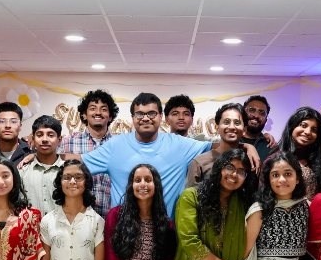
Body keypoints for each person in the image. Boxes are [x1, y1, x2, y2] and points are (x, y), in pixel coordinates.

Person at [76, 93, 260, 215]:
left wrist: (246, 146)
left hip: (167, 234)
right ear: (132, 118)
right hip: (124, 232)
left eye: (151, 113)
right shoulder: (115, 145)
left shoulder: (179, 145)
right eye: (139, 114)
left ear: (160, 117)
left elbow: (220, 146)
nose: (145, 118)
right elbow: (76, 163)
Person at [60, 89, 118, 218]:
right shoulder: (68, 143)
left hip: (112, 219)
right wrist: (33, 154)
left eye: (103, 109)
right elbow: (49, 160)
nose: (98, 112)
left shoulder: (119, 145)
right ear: (84, 115)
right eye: (93, 108)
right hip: (76, 218)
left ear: (110, 116)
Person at [272, 107, 321, 201]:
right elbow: (266, 195)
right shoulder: (275, 158)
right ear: (292, 126)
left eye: (314, 130)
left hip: (316, 209)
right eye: (303, 125)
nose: (308, 132)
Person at [186, 103, 246, 187]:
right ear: (217, 128)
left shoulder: (249, 160)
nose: (232, 127)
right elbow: (189, 194)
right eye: (226, 122)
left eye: (237, 122)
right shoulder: (200, 162)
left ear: (244, 130)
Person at [19, 115, 64, 215]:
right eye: (39, 135)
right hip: (30, 225)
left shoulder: (68, 171)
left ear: (59, 140)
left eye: (50, 135)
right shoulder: (22, 171)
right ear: (33, 139)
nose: (45, 139)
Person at [240, 95, 274, 162]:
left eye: (262, 113)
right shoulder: (230, 140)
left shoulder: (271, 147)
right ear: (242, 113)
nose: (256, 116)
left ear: (266, 120)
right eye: (252, 110)